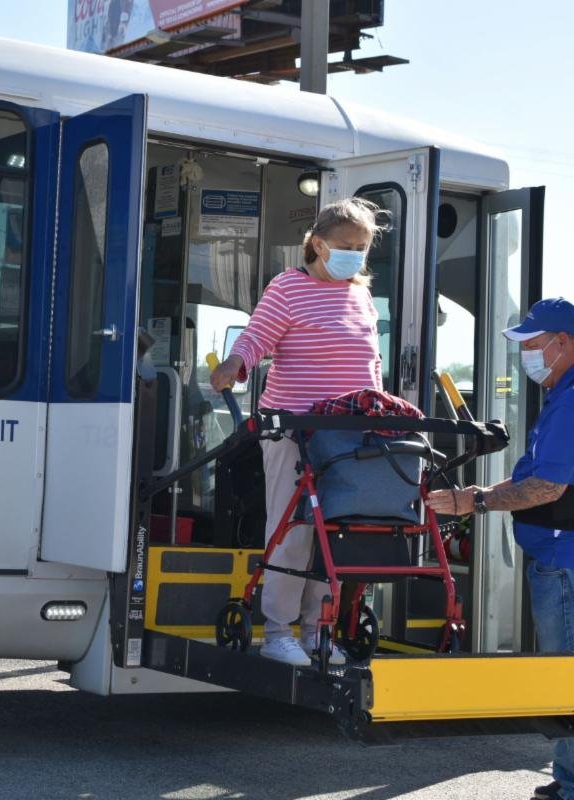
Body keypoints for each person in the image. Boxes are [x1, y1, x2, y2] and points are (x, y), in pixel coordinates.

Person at [427, 297, 574, 800]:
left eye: (532, 345)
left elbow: (547, 487)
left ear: (562, 343)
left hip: (572, 563)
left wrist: (472, 500)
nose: (527, 356)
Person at [209, 197, 386, 668]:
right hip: (295, 429)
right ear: (318, 243)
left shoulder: (361, 296)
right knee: (294, 530)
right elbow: (256, 337)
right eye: (346, 245)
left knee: (336, 531)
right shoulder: (289, 287)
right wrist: (234, 364)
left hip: (349, 432)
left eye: (362, 247)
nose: (354, 254)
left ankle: (315, 629)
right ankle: (278, 632)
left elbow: (371, 365)